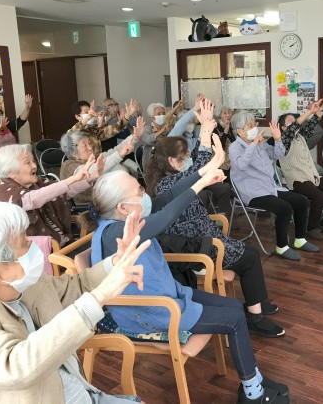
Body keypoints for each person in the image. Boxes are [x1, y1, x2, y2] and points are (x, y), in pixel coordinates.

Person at [91, 172, 290, 403]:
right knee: (235, 320)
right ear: (123, 208)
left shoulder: (126, 221)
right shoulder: (113, 234)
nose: (145, 195)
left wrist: (201, 174)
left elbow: (169, 197)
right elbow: (166, 216)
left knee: (236, 308)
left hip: (167, 296)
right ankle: (253, 392)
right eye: (140, 191)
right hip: (148, 312)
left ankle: (254, 377)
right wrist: (201, 184)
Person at [0, 201, 150, 403]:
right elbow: (18, 367)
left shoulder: (22, 283)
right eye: (24, 244)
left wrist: (116, 262)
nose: (33, 246)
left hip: (82, 394)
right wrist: (100, 296)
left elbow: (73, 287)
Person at [145, 102, 285, 337]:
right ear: (171, 161)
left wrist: (206, 132)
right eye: (184, 156)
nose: (188, 159)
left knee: (250, 252)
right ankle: (255, 317)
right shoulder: (167, 185)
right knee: (250, 257)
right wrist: (206, 133)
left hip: (207, 239)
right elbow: (200, 169)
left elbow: (197, 167)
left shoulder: (171, 178)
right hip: (198, 248)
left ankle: (258, 301)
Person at [229, 111, 320, 261]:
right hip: (252, 192)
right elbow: (241, 165)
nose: (254, 128)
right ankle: (281, 247)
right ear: (240, 131)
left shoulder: (260, 143)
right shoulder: (235, 147)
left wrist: (278, 139)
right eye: (250, 125)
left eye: (254, 124)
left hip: (270, 188)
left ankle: (300, 239)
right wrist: (253, 145)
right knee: (284, 208)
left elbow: (278, 155)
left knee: (301, 201)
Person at [0, 143, 104, 246]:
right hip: (38, 252)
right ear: (11, 172)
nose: (34, 166)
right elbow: (33, 199)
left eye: (33, 161)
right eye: (27, 162)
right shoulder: (2, 192)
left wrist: (91, 178)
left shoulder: (37, 182)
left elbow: (62, 191)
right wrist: (73, 178)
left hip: (61, 243)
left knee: (99, 244)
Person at [276, 90, 323, 240]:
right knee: (320, 197)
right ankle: (312, 228)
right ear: (282, 128)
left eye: (294, 120)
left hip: (311, 176)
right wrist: (309, 111)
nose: (294, 122)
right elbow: (295, 126)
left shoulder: (300, 136)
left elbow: (313, 122)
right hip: (297, 180)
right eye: (290, 121)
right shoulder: (283, 140)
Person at [60, 117, 144, 205]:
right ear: (73, 153)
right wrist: (120, 155)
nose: (90, 147)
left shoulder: (90, 159)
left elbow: (115, 151)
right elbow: (92, 171)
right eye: (85, 146)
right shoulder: (68, 165)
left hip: (105, 199)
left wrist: (134, 137)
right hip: (89, 206)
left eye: (89, 143)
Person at [214, 106, 236, 180]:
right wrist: (225, 131)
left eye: (229, 112)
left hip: (232, 162)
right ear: (219, 115)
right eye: (225, 113)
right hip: (222, 165)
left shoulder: (230, 126)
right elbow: (219, 148)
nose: (228, 115)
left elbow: (234, 143)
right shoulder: (215, 128)